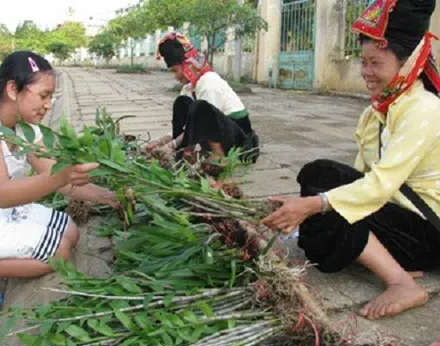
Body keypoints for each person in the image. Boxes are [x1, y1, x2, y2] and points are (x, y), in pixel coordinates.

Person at [262, 0, 440, 320]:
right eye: (363, 62)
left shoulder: (425, 109)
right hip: (401, 222)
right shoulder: (378, 110)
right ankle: (391, 260)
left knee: (323, 183)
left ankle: (401, 282)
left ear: (409, 60)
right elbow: (360, 177)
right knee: (319, 192)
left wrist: (315, 205)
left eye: (375, 63)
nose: (366, 73)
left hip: (431, 233)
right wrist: (314, 209)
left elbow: (379, 185)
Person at [0, 51, 118, 299]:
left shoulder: (25, 128)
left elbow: (55, 174)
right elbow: (2, 193)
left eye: (51, 97)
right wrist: (62, 176)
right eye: (43, 96)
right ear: (13, 90)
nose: (48, 104)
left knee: (70, 231)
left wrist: (110, 197)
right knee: (57, 255)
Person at [143, 32, 259, 162]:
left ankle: (217, 158)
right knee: (181, 103)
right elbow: (187, 127)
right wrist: (160, 142)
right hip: (218, 134)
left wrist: (171, 145)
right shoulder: (188, 87)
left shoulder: (209, 82)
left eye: (175, 70)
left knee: (200, 107)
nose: (175, 77)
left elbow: (208, 123)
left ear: (187, 65)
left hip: (238, 141)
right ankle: (182, 153)